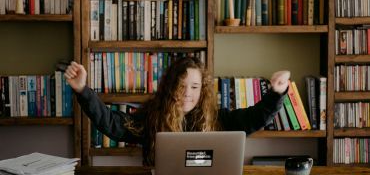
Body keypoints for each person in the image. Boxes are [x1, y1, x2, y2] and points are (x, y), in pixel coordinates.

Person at [64, 57, 290, 166]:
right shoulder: (153, 117)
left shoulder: (217, 118)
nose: (187, 94)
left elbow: (253, 119)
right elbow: (112, 123)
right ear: (170, 87)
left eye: (194, 87)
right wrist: (83, 90)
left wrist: (276, 93)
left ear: (202, 90)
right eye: (180, 86)